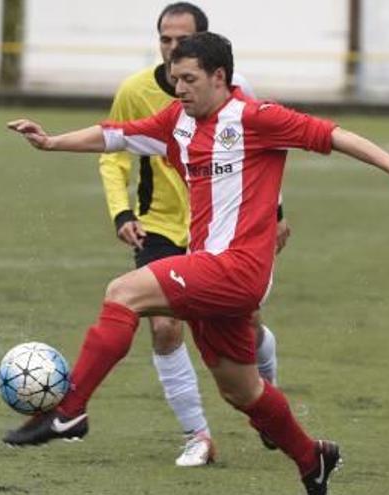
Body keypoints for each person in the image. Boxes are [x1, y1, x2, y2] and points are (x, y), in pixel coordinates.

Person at [4, 32, 389, 495]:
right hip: (209, 269)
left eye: (189, 79)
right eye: (175, 79)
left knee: (123, 292)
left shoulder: (258, 118)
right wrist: (51, 142)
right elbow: (116, 135)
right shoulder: (177, 120)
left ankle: (69, 410)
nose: (179, 89)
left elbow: (335, 136)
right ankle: (312, 458)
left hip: (237, 269)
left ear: (220, 77)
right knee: (242, 391)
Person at [99, 2, 283, 466]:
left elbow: (260, 154)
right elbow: (114, 149)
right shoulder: (135, 90)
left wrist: (276, 213)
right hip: (159, 225)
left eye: (181, 41)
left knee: (249, 324)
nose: (171, 49)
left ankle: (266, 399)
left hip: (227, 233)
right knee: (162, 327)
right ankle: (196, 436)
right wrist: (122, 212)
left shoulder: (236, 93)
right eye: (164, 39)